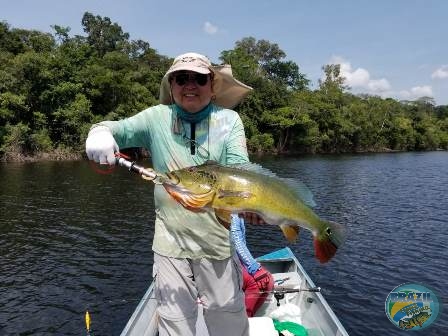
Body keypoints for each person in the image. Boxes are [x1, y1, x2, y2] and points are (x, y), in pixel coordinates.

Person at [85, 52, 253, 336]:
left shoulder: (230, 120)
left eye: (199, 78)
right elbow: (117, 129)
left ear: (212, 85)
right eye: (181, 78)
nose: (190, 85)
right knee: (175, 324)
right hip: (169, 243)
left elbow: (239, 168)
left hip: (217, 244)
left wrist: (251, 205)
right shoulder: (155, 118)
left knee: (228, 321)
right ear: (171, 84)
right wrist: (99, 132)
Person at [230, 214, 274, 317]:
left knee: (268, 280)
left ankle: (249, 317)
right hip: (222, 263)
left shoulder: (237, 211)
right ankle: (244, 321)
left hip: (234, 261)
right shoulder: (231, 210)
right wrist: (254, 268)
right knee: (255, 283)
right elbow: (236, 241)